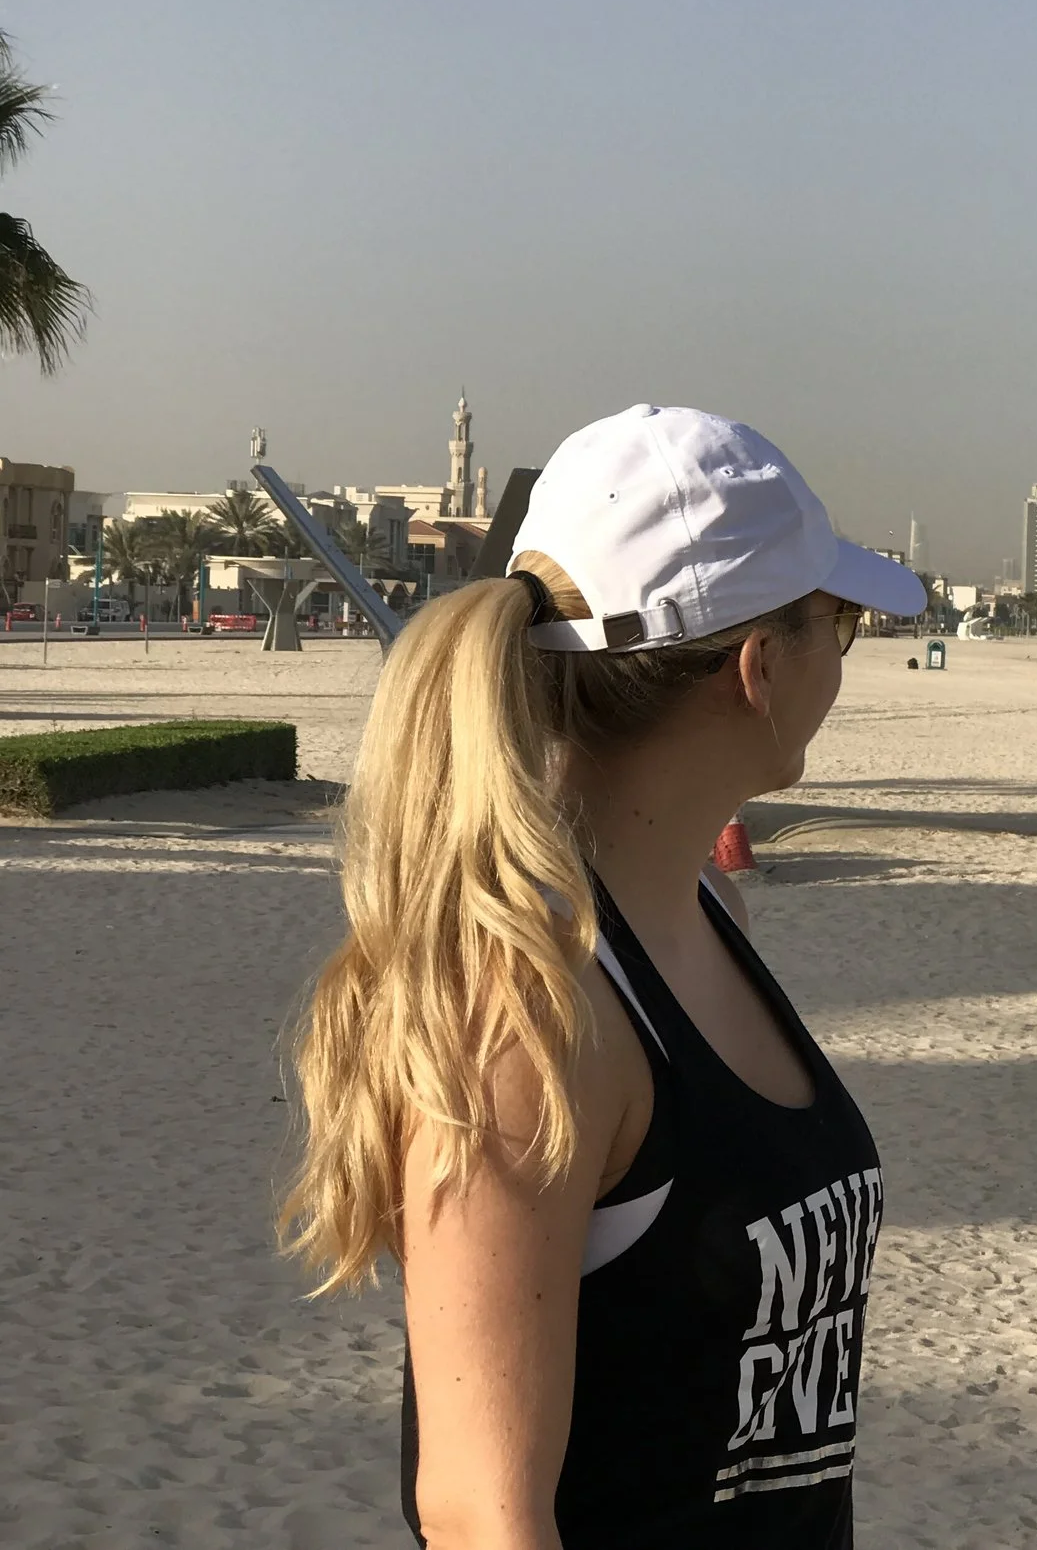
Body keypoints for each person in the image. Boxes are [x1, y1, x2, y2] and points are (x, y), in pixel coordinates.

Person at [281, 404, 926, 1548]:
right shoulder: (538, 1022)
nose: (847, 656)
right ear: (759, 665)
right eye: (840, 623)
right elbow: (481, 1513)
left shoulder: (707, 914)